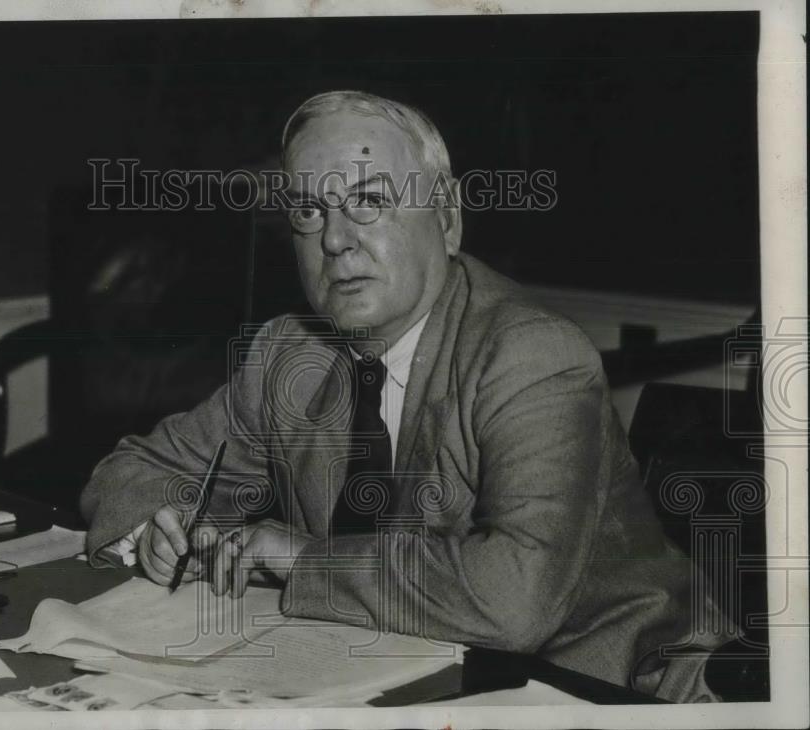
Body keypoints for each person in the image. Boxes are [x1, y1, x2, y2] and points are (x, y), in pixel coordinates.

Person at [79, 90, 730, 702]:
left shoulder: (533, 355)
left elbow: (516, 600)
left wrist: (305, 557)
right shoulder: (289, 354)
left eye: (368, 199)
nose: (335, 240)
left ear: (446, 220)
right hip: (401, 679)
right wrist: (162, 531)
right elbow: (131, 473)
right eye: (309, 211)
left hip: (614, 693)